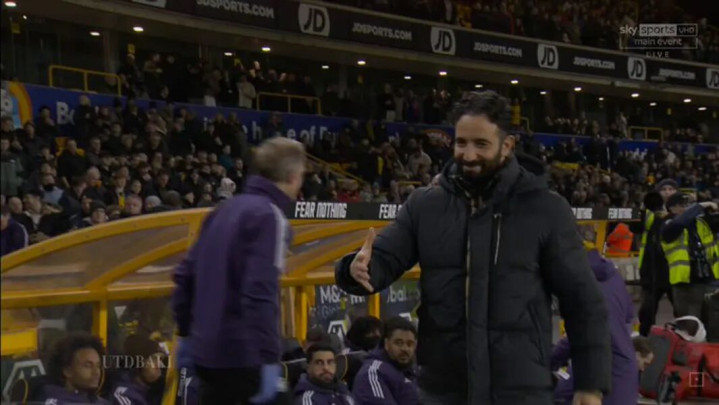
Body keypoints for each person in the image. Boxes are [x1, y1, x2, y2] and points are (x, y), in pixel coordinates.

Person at [335, 91, 610, 405]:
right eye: (461, 143)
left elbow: (583, 302)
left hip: (520, 391)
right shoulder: (425, 205)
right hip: (444, 391)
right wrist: (356, 269)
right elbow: (384, 257)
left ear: (507, 145)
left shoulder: (546, 210)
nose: (468, 154)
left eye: (481, 144)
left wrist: (590, 384)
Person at [171, 137, 306, 404]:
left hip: (206, 354)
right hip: (243, 357)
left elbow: (185, 275)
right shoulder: (270, 217)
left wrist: (185, 334)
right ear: (293, 176)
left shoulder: (223, 210)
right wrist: (268, 358)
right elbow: (259, 293)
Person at [551, 229, 638, 405]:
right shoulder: (614, 276)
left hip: (597, 373)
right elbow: (629, 319)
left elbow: (583, 331)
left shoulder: (578, 280)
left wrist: (549, 361)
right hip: (625, 370)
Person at [660, 193, 719, 319]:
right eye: (685, 204)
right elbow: (679, 224)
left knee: (713, 321)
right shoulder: (668, 224)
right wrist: (700, 206)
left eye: (691, 204)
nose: (690, 207)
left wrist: (711, 209)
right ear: (672, 208)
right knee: (690, 322)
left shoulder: (701, 223)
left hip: (709, 279)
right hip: (686, 283)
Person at [631, 191, 673, 336]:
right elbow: (635, 226)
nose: (667, 192)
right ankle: (645, 340)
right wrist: (643, 207)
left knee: (680, 311)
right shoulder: (650, 217)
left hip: (672, 271)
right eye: (664, 189)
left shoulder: (678, 216)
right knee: (648, 311)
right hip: (652, 271)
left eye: (670, 189)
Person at [352, 316, 418, 405]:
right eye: (399, 343)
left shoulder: (413, 371)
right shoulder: (372, 373)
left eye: (409, 344)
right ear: (386, 343)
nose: (405, 349)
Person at [37, 333, 109, 404]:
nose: (96, 372)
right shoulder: (52, 401)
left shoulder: (100, 402)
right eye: (88, 366)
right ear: (67, 371)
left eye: (98, 366)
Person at [111, 334, 167, 405]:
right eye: (154, 359)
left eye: (161, 359)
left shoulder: (156, 392)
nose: (160, 364)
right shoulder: (124, 395)